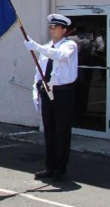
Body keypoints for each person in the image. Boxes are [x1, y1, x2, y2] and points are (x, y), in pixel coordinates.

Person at [24, 13, 79, 182]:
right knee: (49, 131)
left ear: (64, 30)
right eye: (50, 27)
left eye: (55, 27)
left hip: (63, 92)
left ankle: (60, 169)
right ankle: (50, 166)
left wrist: (36, 47)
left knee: (62, 131)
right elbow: (39, 72)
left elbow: (59, 56)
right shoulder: (47, 46)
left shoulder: (69, 45)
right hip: (47, 91)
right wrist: (35, 91)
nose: (52, 29)